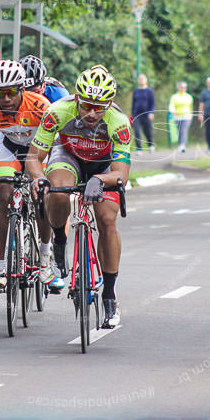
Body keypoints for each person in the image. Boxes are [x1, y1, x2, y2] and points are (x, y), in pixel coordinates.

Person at [27, 65, 132, 329]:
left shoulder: (119, 123)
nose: (92, 113)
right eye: (86, 105)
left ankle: (109, 295)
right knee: (59, 190)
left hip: (103, 167)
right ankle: (60, 242)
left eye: (99, 107)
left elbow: (121, 173)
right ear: (76, 98)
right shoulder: (57, 112)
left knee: (107, 220)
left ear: (109, 104)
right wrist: (39, 178)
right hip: (68, 155)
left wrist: (100, 180)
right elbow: (34, 157)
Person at [0, 60, 62, 293]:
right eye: (0, 93)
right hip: (9, 149)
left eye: (12, 91)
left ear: (22, 88)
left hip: (39, 150)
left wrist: (42, 178)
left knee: (42, 197)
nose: (7, 98)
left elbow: (54, 147)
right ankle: (2, 268)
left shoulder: (41, 107)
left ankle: (44, 262)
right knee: (5, 194)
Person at [20, 54, 71, 281]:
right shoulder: (13, 94)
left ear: (44, 84)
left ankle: (54, 250)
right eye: (25, 91)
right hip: (24, 138)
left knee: (56, 193)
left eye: (36, 90)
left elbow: (64, 139)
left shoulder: (58, 95)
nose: (31, 96)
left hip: (53, 140)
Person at [130, 73, 155, 153]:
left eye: (142, 79)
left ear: (146, 80)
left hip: (146, 115)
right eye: (140, 79)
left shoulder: (149, 91)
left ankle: (151, 145)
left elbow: (152, 103)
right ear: (138, 81)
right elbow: (133, 103)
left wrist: (152, 112)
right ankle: (139, 149)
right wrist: (132, 115)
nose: (141, 80)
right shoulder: (136, 91)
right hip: (137, 115)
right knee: (137, 132)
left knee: (148, 131)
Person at [169, 81, 193, 153]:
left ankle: (182, 145)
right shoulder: (174, 96)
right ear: (178, 88)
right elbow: (171, 105)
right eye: (181, 87)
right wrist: (172, 111)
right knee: (179, 131)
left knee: (183, 130)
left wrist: (190, 114)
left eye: (184, 87)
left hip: (186, 116)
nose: (183, 89)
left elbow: (190, 107)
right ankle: (181, 145)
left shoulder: (189, 96)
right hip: (177, 116)